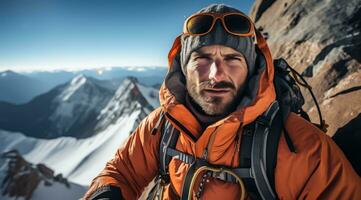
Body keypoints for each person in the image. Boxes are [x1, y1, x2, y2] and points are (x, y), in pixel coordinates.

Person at [84, 4, 361, 200]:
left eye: (232, 59)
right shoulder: (161, 127)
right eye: (202, 59)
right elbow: (121, 172)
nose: (216, 75)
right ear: (183, 68)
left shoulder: (303, 148)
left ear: (252, 68)